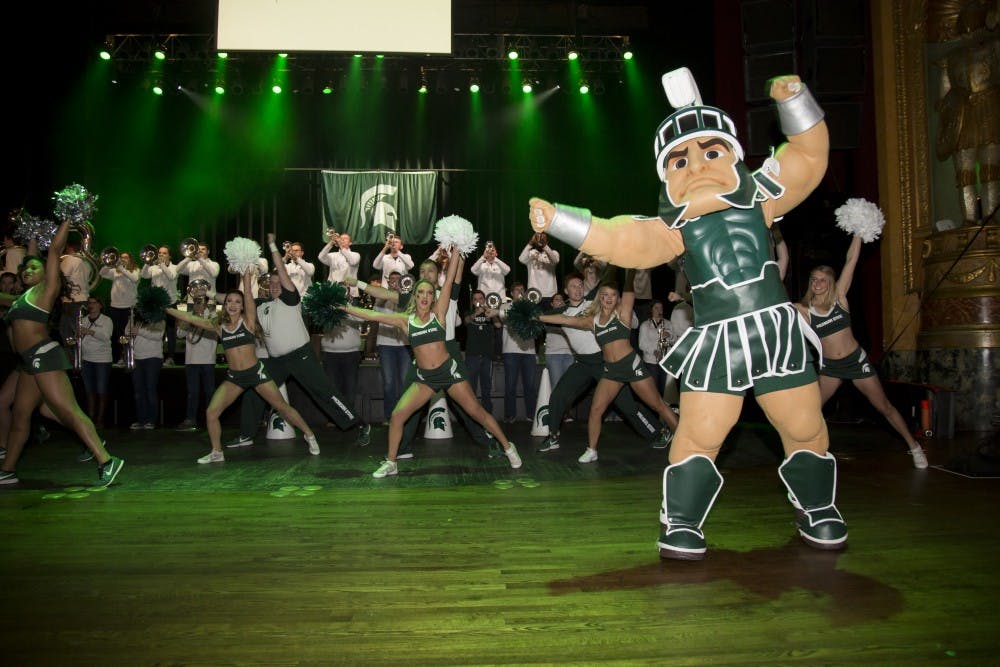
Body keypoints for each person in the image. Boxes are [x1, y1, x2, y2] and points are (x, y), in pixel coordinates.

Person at [529, 71, 845, 559]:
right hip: (718, 343)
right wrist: (561, 220)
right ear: (666, 173)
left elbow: (807, 156)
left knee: (804, 427)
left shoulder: (762, 194)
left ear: (734, 155)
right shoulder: (670, 228)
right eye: (681, 159)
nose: (696, 165)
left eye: (710, 152)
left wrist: (795, 98)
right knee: (699, 433)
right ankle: (680, 521)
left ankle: (818, 508)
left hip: (774, 333)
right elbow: (620, 239)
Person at [343, 246, 522, 478]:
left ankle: (509, 447)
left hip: (449, 372)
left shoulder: (439, 313)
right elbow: (373, 315)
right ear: (415, 296)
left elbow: (447, 283)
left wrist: (456, 250)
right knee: (398, 415)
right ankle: (391, 462)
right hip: (425, 379)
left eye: (429, 293)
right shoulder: (405, 321)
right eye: (421, 293)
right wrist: (343, 306)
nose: (426, 296)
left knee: (476, 411)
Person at [0, 218, 124, 486]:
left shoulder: (47, 290)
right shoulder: (23, 296)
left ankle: (106, 460)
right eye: (25, 270)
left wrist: (67, 220)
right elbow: (32, 254)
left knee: (68, 410)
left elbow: (53, 251)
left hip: (45, 356)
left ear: (47, 272)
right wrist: (32, 234)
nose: (27, 271)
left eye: (34, 267)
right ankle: (8, 469)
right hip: (29, 363)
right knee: (22, 415)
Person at [227, 234, 371, 449]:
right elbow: (246, 293)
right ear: (266, 285)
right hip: (276, 361)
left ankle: (359, 425)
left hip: (301, 356)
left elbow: (282, 272)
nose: (275, 286)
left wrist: (273, 246)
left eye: (278, 283)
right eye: (271, 283)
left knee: (324, 393)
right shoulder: (260, 305)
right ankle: (246, 434)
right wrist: (247, 270)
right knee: (255, 391)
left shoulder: (290, 298)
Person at [797, 233, 929, 469]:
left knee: (884, 407)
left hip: (856, 362)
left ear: (831, 283)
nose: (817, 284)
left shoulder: (839, 299)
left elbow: (851, 260)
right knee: (810, 411)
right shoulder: (804, 309)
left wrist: (858, 231)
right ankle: (809, 453)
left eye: (822, 280)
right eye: (814, 279)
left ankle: (914, 447)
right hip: (830, 368)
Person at [167, 268, 321, 464]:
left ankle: (309, 435)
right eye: (229, 301)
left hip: (255, 373)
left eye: (237, 302)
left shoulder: (248, 321)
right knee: (211, 412)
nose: (232, 304)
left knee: (281, 406)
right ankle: (217, 452)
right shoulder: (218, 326)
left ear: (242, 307)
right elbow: (192, 319)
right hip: (235, 378)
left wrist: (246, 272)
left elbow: (248, 293)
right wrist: (168, 310)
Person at [539, 272, 679, 463]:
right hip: (611, 371)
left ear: (618, 298)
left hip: (631, 366)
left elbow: (629, 288)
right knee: (596, 410)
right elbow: (565, 320)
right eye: (604, 295)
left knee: (658, 405)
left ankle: (684, 441)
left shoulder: (623, 312)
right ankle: (592, 450)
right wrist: (539, 317)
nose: (608, 298)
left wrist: (629, 269)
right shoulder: (592, 321)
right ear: (600, 297)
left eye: (613, 295)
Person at [175, 296, 218, 433]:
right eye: (196, 303)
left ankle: (211, 419)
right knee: (192, 393)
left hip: (208, 360)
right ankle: (190, 419)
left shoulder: (212, 316)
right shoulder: (189, 317)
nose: (198, 305)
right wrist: (189, 320)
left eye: (201, 303)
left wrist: (200, 318)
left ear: (206, 304)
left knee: (210, 392)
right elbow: (180, 334)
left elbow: (215, 330)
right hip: (191, 360)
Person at [500, 283, 539, 423]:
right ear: (512, 293)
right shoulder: (505, 307)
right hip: (510, 350)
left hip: (529, 351)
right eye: (518, 290)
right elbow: (506, 319)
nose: (521, 292)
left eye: (523, 290)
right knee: (510, 386)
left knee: (530, 386)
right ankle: (510, 415)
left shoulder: (532, 307)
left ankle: (531, 415)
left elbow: (538, 323)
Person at [463, 289, 502, 415]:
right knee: (471, 389)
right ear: (473, 302)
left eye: (481, 299)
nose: (478, 301)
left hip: (486, 356)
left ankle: (487, 415)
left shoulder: (490, 313)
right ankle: (472, 415)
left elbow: (498, 326)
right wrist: (476, 313)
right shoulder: (469, 312)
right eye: (475, 299)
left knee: (486, 388)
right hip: (472, 356)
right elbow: (466, 321)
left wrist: (491, 313)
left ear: (484, 300)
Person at [99, 251, 139, 366]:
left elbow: (134, 279)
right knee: (118, 333)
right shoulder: (115, 272)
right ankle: (121, 356)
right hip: (115, 306)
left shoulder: (135, 270)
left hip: (129, 306)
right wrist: (109, 263)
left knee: (129, 333)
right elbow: (101, 273)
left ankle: (130, 355)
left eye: (126, 257)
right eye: (121, 257)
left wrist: (121, 267)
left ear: (130, 260)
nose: (123, 259)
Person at [141, 246, 180, 364]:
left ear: (169, 256)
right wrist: (147, 262)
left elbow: (171, 276)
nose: (161, 255)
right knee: (156, 331)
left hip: (170, 303)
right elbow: (143, 275)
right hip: (156, 304)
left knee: (170, 331)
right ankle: (157, 356)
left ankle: (171, 357)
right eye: (159, 253)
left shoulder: (176, 267)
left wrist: (162, 265)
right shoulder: (153, 267)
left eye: (164, 253)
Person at [78, 295, 113, 429]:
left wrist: (90, 331)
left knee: (101, 390)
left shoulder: (107, 320)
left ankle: (100, 419)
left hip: (102, 360)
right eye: (89, 303)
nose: (91, 305)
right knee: (89, 390)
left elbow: (106, 336)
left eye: (94, 303)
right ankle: (91, 417)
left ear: (100, 305)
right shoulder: (84, 320)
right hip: (86, 358)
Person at [129, 315, 165, 430]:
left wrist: (139, 331)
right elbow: (127, 331)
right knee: (139, 390)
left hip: (153, 357)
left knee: (150, 389)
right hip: (137, 357)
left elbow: (158, 335)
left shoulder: (158, 319)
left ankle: (151, 420)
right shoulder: (135, 318)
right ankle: (141, 420)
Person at [637, 300, 675, 397]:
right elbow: (641, 344)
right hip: (651, 362)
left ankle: (663, 407)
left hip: (665, 360)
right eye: (656, 308)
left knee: (665, 389)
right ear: (651, 310)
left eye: (661, 308)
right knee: (653, 390)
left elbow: (674, 340)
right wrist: (654, 351)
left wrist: (669, 335)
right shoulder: (645, 325)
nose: (659, 310)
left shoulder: (668, 323)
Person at [58, 239, 92, 346]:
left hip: (71, 300)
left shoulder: (69, 260)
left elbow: (61, 277)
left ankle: (74, 357)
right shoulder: (87, 262)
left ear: (69, 248)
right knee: (77, 330)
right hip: (84, 298)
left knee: (68, 331)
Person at [543, 292, 574, 389]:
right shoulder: (547, 316)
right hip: (554, 355)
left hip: (570, 354)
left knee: (569, 388)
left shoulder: (569, 316)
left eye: (561, 299)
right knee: (556, 387)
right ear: (552, 304)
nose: (560, 301)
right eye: (557, 299)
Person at [518, 232, 559, 305]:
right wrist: (530, 243)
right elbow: (521, 259)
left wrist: (545, 246)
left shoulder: (553, 253)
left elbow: (554, 261)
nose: (540, 240)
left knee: (550, 316)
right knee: (534, 316)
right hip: (534, 293)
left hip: (550, 294)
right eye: (538, 238)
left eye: (543, 238)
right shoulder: (531, 253)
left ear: (547, 241)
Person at [317, 231, 360, 297]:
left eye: (345, 238)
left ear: (350, 243)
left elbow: (352, 262)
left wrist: (340, 245)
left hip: (350, 293)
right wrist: (331, 243)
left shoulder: (355, 255)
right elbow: (321, 257)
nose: (342, 239)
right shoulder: (333, 255)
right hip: (333, 292)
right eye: (341, 238)